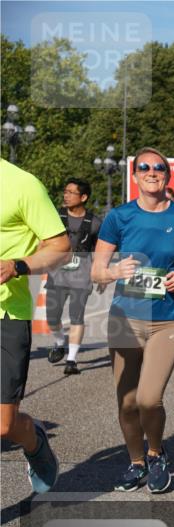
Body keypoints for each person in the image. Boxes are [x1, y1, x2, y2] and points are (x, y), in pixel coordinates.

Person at [91, 148, 174, 493]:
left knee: (148, 398)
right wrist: (112, 271)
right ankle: (136, 461)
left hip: (167, 319)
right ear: (135, 175)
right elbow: (96, 270)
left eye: (159, 168)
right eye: (145, 167)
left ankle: (156, 453)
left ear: (167, 176)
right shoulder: (119, 217)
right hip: (126, 318)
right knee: (126, 400)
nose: (152, 172)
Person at [0, 159, 71, 494]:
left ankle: (35, 441)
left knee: (3, 426)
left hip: (7, 313)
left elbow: (59, 247)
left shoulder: (22, 184)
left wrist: (18, 265)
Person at [44, 178, 102, 375]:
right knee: (52, 317)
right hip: (57, 276)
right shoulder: (54, 217)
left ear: (83, 197)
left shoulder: (94, 223)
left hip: (81, 278)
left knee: (77, 316)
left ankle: (72, 359)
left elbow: (100, 251)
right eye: (65, 191)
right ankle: (60, 342)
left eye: (71, 192)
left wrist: (100, 273)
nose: (65, 195)